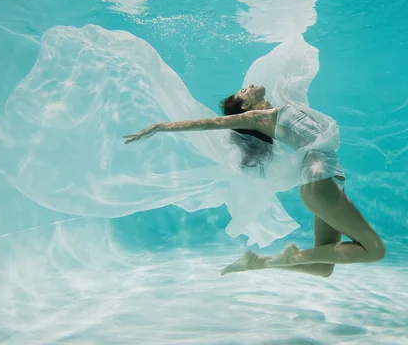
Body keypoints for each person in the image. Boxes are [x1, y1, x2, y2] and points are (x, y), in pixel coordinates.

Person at [123, 84, 386, 278]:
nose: (247, 86)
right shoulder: (258, 118)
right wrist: (160, 126)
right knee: (374, 250)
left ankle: (258, 262)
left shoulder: (282, 107)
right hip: (320, 181)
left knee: (322, 267)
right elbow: (208, 123)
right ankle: (292, 256)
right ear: (246, 108)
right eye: (242, 92)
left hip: (323, 185)